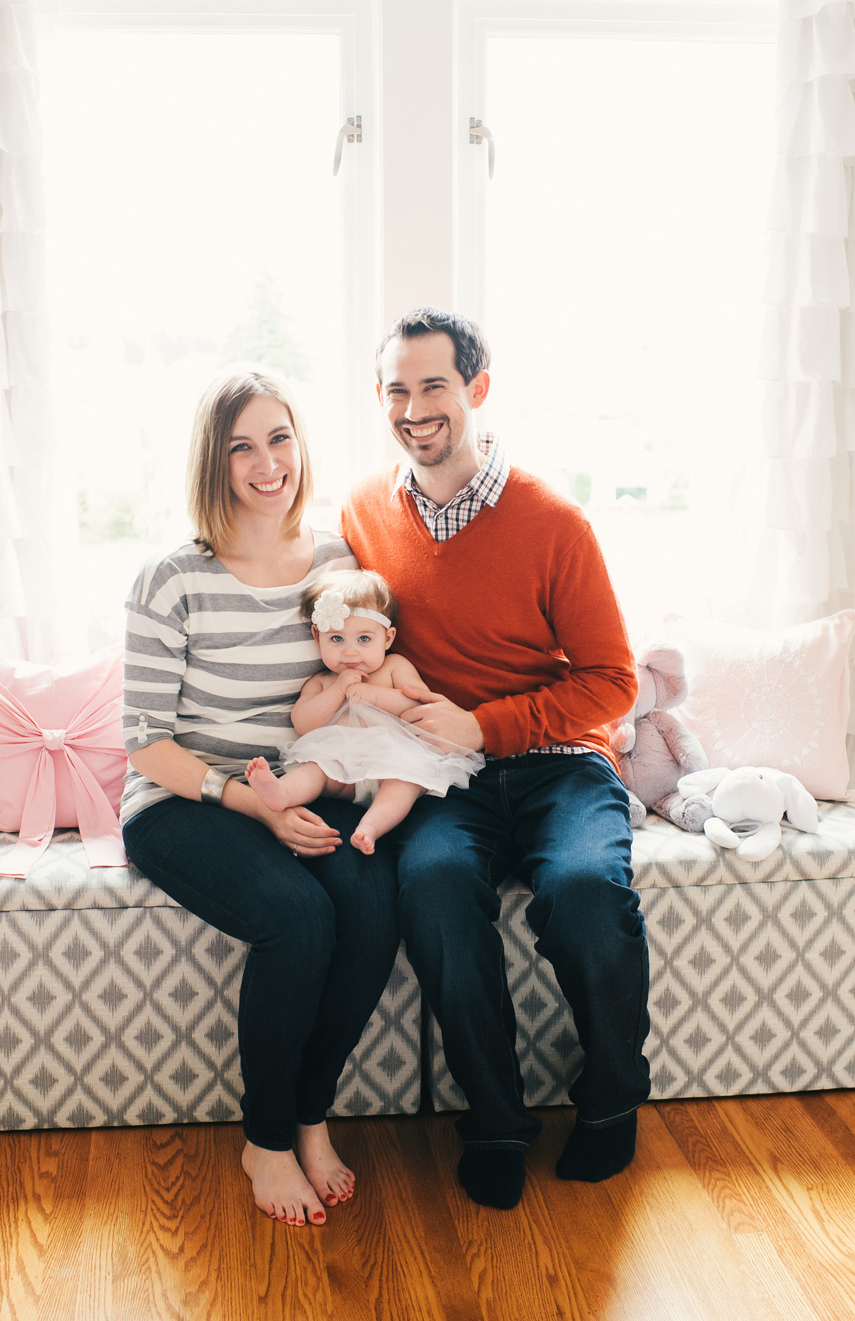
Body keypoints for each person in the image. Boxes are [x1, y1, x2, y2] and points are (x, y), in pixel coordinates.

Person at [340, 307, 650, 1211]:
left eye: (433, 384)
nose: (414, 406)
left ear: (477, 389)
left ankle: (611, 1098)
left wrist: (489, 724)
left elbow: (613, 682)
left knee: (586, 893)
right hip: (442, 776)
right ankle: (498, 1115)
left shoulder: (555, 522)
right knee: (432, 890)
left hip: (558, 761)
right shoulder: (363, 511)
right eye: (396, 388)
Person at [120, 370, 399, 1229]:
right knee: (299, 920)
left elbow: (360, 679)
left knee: (371, 905)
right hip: (187, 796)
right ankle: (266, 1139)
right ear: (216, 460)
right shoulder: (173, 576)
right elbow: (144, 741)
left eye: (279, 437)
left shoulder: (334, 564)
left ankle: (311, 1114)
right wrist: (253, 804)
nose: (266, 460)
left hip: (302, 782)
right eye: (241, 444)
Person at [245, 567, 484, 854]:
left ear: (388, 637)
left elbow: (420, 707)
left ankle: (370, 827)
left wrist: (376, 695)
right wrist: (337, 691)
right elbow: (303, 723)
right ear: (316, 636)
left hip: (395, 761)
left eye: (363, 639)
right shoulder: (322, 681)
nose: (350, 653)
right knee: (315, 771)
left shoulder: (395, 668)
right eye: (336, 639)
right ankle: (280, 794)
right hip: (340, 767)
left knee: (404, 784)